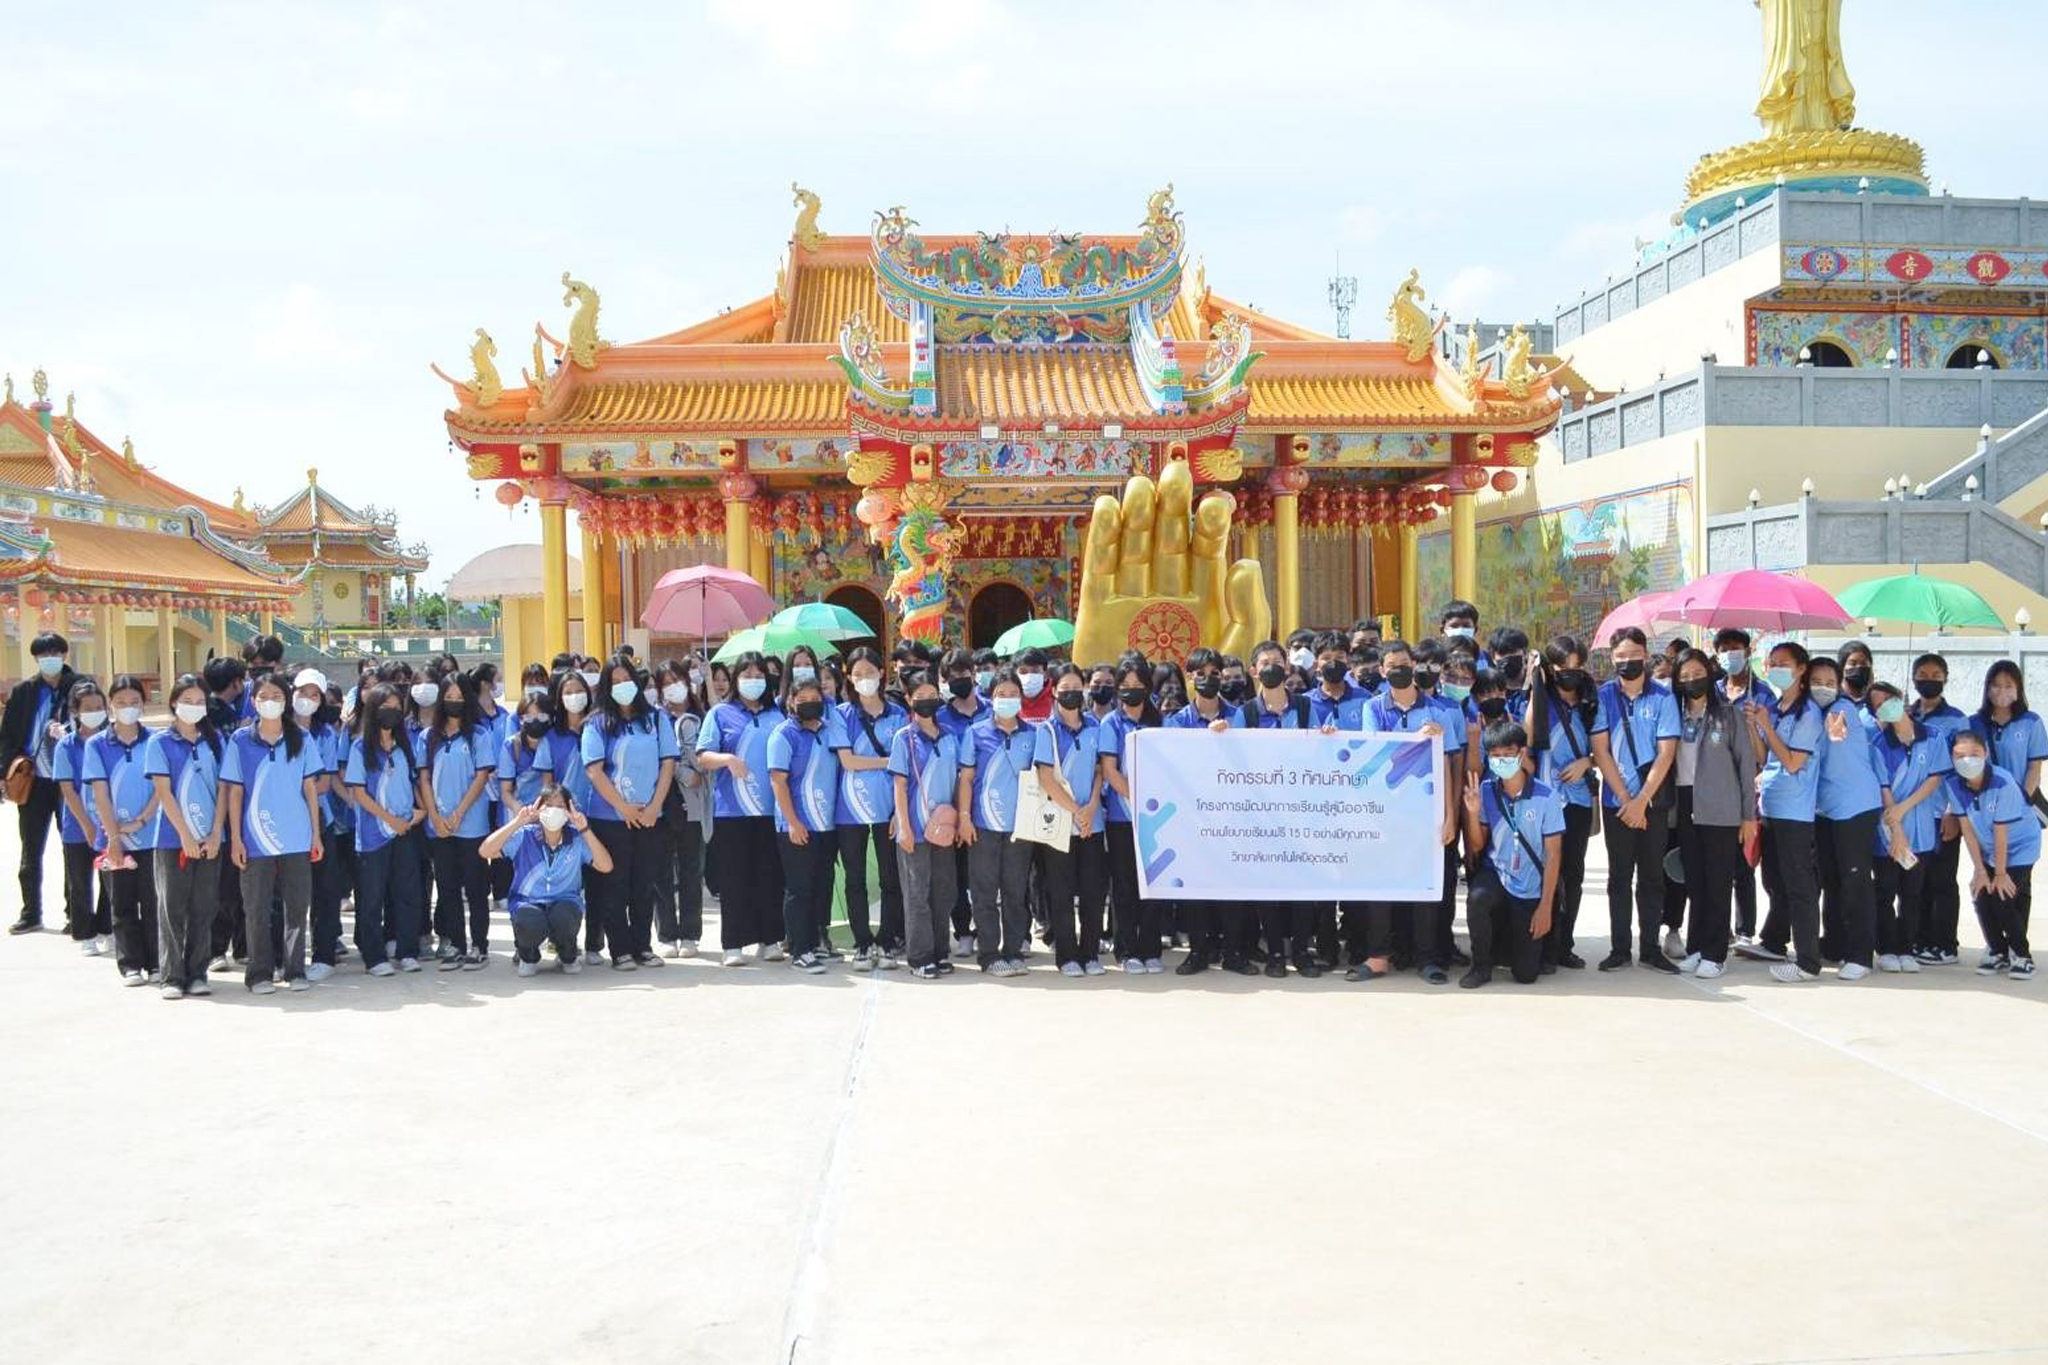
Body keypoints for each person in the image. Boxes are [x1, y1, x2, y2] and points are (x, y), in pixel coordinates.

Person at [1351, 640, 1452, 983]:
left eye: (1404, 663)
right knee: (1381, 887)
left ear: (1415, 665)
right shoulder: (1373, 709)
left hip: (1426, 815)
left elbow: (1448, 765)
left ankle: (1427, 958)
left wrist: (1449, 815)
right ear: (1382, 671)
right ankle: (1378, 956)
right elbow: (1374, 753)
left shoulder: (1438, 711)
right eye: (1391, 666)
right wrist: (1413, 741)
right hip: (1386, 813)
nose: (1399, 670)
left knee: (1424, 888)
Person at [220, 674, 327, 995]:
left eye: (277, 695)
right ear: (253, 701)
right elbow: (234, 793)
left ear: (286, 699)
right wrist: (236, 838)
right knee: (256, 907)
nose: (270, 701)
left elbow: (311, 790)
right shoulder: (240, 740)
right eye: (263, 696)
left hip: (296, 835)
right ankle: (259, 973)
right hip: (255, 839)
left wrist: (316, 835)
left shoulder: (302, 738)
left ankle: (295, 970)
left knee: (297, 906)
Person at [1589, 627, 1680, 973]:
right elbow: (1601, 750)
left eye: (1633, 656)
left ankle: (1651, 947)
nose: (1627, 663)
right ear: (1612, 659)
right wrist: (1627, 800)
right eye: (1620, 658)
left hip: (1652, 803)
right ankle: (1619, 948)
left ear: (1645, 654)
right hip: (1617, 802)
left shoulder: (1662, 697)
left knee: (1653, 877)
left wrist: (1642, 800)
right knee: (1619, 877)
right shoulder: (1603, 696)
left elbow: (1666, 753)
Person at [1666, 649, 1759, 978]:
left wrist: (1749, 816)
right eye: (1684, 676)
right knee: (1695, 882)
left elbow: (1746, 766)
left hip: (1721, 806)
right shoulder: (1674, 715)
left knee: (1718, 882)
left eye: (1697, 673)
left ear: (1709, 672)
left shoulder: (1728, 715)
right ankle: (1697, 947)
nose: (1692, 680)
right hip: (1686, 802)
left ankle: (1716, 953)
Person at [583, 656, 677, 970]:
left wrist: (653, 807)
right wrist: (621, 807)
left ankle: (643, 946)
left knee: (644, 883)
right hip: (610, 818)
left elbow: (668, 764)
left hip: (650, 816)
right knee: (615, 885)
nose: (623, 687)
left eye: (627, 680)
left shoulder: (656, 719)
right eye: (616, 681)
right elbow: (595, 772)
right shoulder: (596, 723)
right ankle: (620, 950)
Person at [1742, 642, 1828, 983]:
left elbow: (1793, 762)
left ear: (1801, 668)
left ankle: (1808, 961)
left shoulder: (1809, 713)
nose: (1776, 667)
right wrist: (1754, 725)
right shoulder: (1776, 707)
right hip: (1772, 805)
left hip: (1795, 809)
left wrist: (1768, 726)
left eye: (1784, 663)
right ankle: (1775, 942)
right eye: (1772, 662)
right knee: (1774, 880)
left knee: (1799, 885)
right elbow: (1765, 757)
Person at [696, 652, 786, 966]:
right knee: (735, 879)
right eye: (746, 675)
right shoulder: (720, 713)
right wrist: (726, 759)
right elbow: (702, 756)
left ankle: (770, 939)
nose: (753, 681)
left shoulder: (778, 715)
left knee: (770, 877)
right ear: (735, 680)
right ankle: (732, 944)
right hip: (731, 811)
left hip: (771, 810)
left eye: (758, 674)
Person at [1168, 649, 1252, 975]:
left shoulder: (1239, 716)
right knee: (1195, 888)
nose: (1207, 679)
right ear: (1189, 678)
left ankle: (1233, 952)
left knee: (1232, 887)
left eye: (1214, 673)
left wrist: (1227, 739)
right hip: (1192, 817)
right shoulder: (1175, 722)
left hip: (1231, 816)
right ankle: (1199, 952)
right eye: (1199, 674)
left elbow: (1248, 761)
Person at [1460, 720, 1563, 987]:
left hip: (1530, 883)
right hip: (1497, 872)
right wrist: (1472, 814)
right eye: (1494, 756)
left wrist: (1545, 907)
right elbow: (1477, 844)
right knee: (1477, 898)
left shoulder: (1547, 796)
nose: (1501, 761)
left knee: (1526, 975)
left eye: (1507, 755)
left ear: (1521, 753)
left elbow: (1553, 855)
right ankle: (1480, 966)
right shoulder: (1485, 791)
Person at [1240, 642, 1319, 978]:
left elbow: (1320, 750)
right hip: (1262, 815)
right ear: (1254, 671)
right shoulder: (1244, 713)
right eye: (1264, 663)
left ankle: (1301, 952)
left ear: (1287, 668)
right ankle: (1274, 953)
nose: (1271, 667)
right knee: (1268, 886)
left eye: (1277, 662)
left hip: (1300, 812)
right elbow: (1233, 759)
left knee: (1303, 885)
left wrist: (1327, 736)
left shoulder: (1305, 707)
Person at [145, 675, 224, 1000]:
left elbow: (226, 790)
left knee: (204, 907)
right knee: (171, 908)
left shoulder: (216, 740)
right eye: (187, 701)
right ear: (174, 703)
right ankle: (172, 976)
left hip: (211, 838)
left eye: (200, 701)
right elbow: (164, 793)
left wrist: (217, 832)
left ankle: (197, 972)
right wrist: (185, 836)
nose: (194, 707)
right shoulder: (160, 742)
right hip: (172, 839)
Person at [481, 788, 614, 979]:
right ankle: (528, 956)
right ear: (538, 809)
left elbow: (605, 866)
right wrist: (518, 822)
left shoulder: (576, 838)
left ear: (569, 810)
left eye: (560, 806)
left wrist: (585, 829)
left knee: (564, 917)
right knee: (530, 920)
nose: (554, 811)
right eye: (548, 805)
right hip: (528, 902)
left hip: (565, 901)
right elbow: (485, 851)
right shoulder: (525, 835)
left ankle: (567, 954)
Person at [1806, 655, 1883, 980]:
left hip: (1854, 807)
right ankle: (1834, 944)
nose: (1823, 688)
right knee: (1831, 881)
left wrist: (1832, 731)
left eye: (1829, 682)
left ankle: (1860, 954)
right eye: (1816, 682)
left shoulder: (1842, 710)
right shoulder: (1810, 712)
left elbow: (1835, 734)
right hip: (1825, 810)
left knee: (1855, 880)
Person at [957, 668, 1037, 976]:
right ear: (990, 699)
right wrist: (965, 818)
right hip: (984, 825)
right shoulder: (975, 733)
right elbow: (966, 780)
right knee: (984, 891)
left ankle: (1014, 950)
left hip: (1020, 827)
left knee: (1016, 892)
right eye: (1001, 695)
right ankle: (989, 955)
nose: (1007, 699)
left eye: (1013, 694)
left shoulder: (1032, 735)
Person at [84, 675, 162, 986]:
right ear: (110, 706)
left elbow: (161, 787)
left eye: (134, 703)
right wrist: (114, 836)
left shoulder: (155, 739)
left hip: (153, 835)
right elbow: (100, 793)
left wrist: (143, 819)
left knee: (155, 902)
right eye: (120, 703)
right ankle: (130, 964)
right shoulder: (97, 745)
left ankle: (158, 963)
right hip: (114, 839)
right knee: (123, 903)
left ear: (143, 705)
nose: (127, 708)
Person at [831, 647, 906, 969]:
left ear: (882, 674)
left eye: (870, 673)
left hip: (890, 808)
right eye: (857, 674)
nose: (864, 680)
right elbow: (847, 761)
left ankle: (887, 941)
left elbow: (906, 765)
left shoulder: (898, 715)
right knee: (855, 878)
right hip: (851, 810)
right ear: (849, 677)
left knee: (892, 878)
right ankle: (863, 943)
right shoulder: (841, 714)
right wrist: (886, 761)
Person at [344, 684, 425, 974]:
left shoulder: (405, 747)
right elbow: (359, 794)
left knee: (407, 892)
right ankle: (374, 957)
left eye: (396, 706)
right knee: (371, 897)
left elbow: (414, 783)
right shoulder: (359, 748)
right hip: (374, 834)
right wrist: (389, 819)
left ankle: (407, 950)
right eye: (385, 706)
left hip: (405, 831)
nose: (392, 711)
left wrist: (420, 812)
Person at [1525, 637, 1596, 969]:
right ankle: (1544, 942)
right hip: (1545, 801)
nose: (1571, 673)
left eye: (1577, 667)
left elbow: (1605, 747)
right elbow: (1527, 740)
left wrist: (1588, 762)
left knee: (1574, 874)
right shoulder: (1542, 704)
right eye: (1562, 668)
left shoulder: (1591, 702)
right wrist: (1535, 684)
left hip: (1578, 799)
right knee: (1546, 872)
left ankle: (1564, 943)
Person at [418, 670, 496, 970]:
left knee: (476, 887)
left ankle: (479, 945)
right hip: (439, 826)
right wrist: (435, 816)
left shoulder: (479, 735)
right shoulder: (428, 737)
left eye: (459, 697)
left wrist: (459, 812)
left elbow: (480, 777)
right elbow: (423, 778)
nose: (454, 703)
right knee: (447, 887)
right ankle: (456, 945)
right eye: (448, 698)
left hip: (471, 824)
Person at [1036, 663, 1108, 978]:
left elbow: (1100, 770)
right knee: (1061, 891)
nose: (1071, 695)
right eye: (1064, 690)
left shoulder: (1096, 726)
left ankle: (1090, 952)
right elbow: (1046, 778)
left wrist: (1091, 805)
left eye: (1076, 689)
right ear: (1054, 692)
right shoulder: (1047, 731)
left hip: (1093, 823)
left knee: (1094, 891)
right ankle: (1066, 955)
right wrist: (1076, 811)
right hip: (1061, 824)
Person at [1945, 729, 2036, 980]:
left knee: (2002, 894)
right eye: (1960, 755)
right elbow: (1967, 829)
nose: (1967, 760)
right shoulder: (1953, 783)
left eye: (1974, 754)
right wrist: (1981, 871)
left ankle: (2022, 955)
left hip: (2019, 846)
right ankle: (1998, 951)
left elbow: (2001, 832)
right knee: (1981, 893)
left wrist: (2000, 872)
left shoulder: (2002, 781)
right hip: (1987, 846)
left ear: (1985, 753)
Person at [889, 672, 963, 979]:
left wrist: (959, 818)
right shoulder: (903, 738)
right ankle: (919, 957)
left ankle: (940, 951)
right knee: (917, 893)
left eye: (932, 695)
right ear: (909, 700)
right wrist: (904, 827)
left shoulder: (949, 736)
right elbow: (899, 784)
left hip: (943, 828)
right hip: (916, 829)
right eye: (920, 696)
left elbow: (958, 781)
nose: (927, 701)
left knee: (944, 891)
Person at [1868, 682, 1945, 974]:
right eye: (1878, 705)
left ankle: (1906, 948)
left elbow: (1934, 780)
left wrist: (1904, 807)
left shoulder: (1933, 737)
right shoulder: (1878, 744)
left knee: (1913, 893)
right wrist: (1896, 826)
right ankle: (1886, 948)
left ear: (1901, 699)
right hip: (1887, 830)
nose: (1885, 705)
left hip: (1921, 829)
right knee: (1885, 891)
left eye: (1889, 699)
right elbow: (1884, 787)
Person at [768, 675, 842, 975]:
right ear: (790, 702)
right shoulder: (783, 735)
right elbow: (778, 781)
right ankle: (800, 949)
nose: (810, 704)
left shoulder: (827, 730)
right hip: (796, 826)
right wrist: (794, 822)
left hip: (826, 825)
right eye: (803, 699)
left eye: (815, 698)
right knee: (799, 889)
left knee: (821, 886)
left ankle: (815, 943)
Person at [2, 632, 75, 934]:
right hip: (33, 779)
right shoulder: (24, 691)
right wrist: (4, 772)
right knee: (31, 848)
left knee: (73, 847)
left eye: (54, 653)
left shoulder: (79, 687)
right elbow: (6, 736)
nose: (49, 659)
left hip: (68, 779)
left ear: (63, 655)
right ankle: (31, 912)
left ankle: (76, 912)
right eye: (43, 655)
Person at [1097, 659, 1165, 973]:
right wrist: (1136, 799)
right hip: (1121, 817)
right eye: (1125, 687)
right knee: (1124, 885)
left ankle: (1151, 948)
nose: (1131, 692)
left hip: (1156, 819)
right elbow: (1109, 770)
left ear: (1148, 688)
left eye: (1138, 687)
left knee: (1153, 883)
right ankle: (1127, 950)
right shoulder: (1111, 723)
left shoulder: (1162, 721)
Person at [534, 668, 603, 961]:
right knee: (563, 881)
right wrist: (550, 813)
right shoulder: (551, 737)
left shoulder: (600, 727)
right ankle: (561, 940)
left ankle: (594, 945)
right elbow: (547, 782)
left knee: (597, 882)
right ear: (559, 699)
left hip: (598, 813)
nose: (574, 696)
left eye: (579, 690)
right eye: (567, 691)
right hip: (563, 819)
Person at [1906, 653, 1969, 965]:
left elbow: (1964, 768)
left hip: (1941, 812)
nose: (1928, 678)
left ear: (1945, 678)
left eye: (1935, 674)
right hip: (1911, 813)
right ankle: (1919, 939)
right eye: (1922, 673)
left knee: (1942, 881)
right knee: (1915, 881)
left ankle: (1945, 944)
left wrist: (1953, 811)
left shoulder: (1957, 720)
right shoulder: (1905, 714)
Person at [294, 669, 349, 981]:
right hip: (283, 824)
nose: (308, 700)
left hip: (319, 821)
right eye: (303, 693)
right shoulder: (280, 729)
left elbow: (325, 783)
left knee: (325, 890)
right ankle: (286, 955)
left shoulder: (326, 734)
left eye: (315, 695)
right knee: (287, 893)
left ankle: (324, 953)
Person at [49, 679, 108, 956]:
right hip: (77, 826)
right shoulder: (67, 746)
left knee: (111, 880)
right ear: (75, 711)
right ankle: (84, 933)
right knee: (80, 881)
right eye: (88, 707)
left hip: (109, 824)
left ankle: (108, 928)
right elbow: (67, 789)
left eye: (99, 706)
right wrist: (86, 824)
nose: (95, 711)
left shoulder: (111, 742)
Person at [655, 660, 709, 959]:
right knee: (662, 871)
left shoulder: (701, 717)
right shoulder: (655, 718)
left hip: (694, 805)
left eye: (676, 679)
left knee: (692, 870)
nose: (672, 686)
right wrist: (678, 770)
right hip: (662, 804)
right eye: (666, 682)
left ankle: (690, 933)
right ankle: (666, 934)